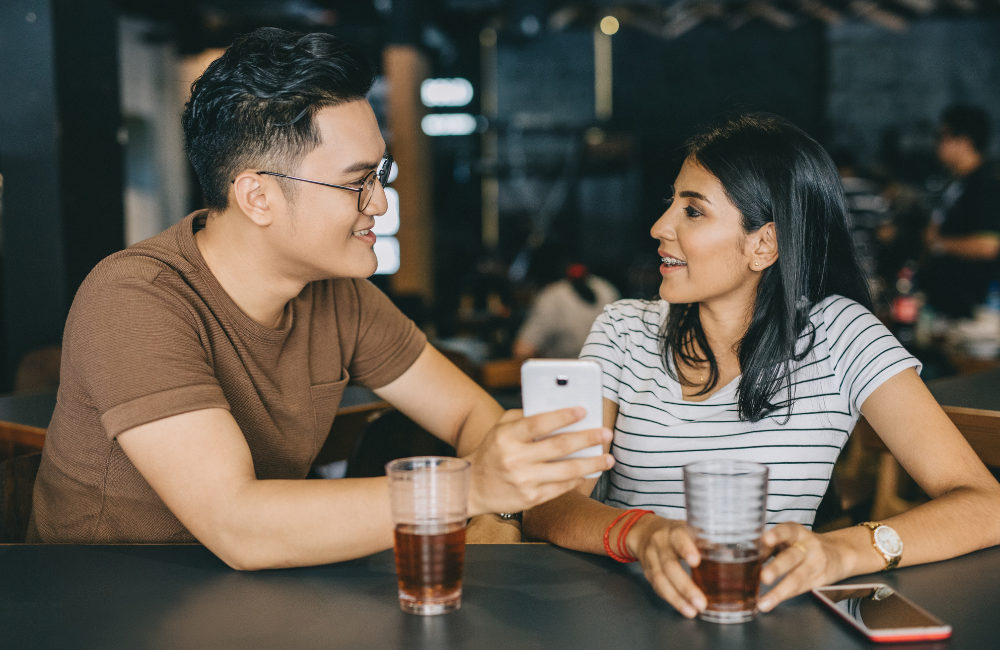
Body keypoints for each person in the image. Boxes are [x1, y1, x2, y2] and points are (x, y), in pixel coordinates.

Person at [27, 28, 614, 567]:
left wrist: (499, 513)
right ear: (258, 197)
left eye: (379, 175)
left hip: (256, 598)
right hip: (106, 601)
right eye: (356, 181)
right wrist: (471, 490)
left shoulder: (339, 296)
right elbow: (238, 526)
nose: (380, 204)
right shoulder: (134, 298)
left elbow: (467, 413)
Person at [522, 114, 1000, 618]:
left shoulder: (839, 335)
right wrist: (641, 532)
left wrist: (842, 551)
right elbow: (547, 506)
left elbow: (985, 504)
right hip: (619, 617)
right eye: (672, 203)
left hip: (764, 619)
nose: (660, 227)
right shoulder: (623, 330)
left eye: (693, 211)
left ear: (763, 244)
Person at [923, 104, 1000, 318]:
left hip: (970, 308)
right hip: (946, 303)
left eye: (943, 136)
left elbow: (988, 246)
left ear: (964, 142)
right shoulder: (958, 183)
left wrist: (938, 244)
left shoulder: (985, 185)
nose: (937, 144)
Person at [513, 263, 619, 360]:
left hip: (565, 375)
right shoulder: (608, 289)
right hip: (606, 373)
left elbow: (523, 351)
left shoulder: (552, 297)